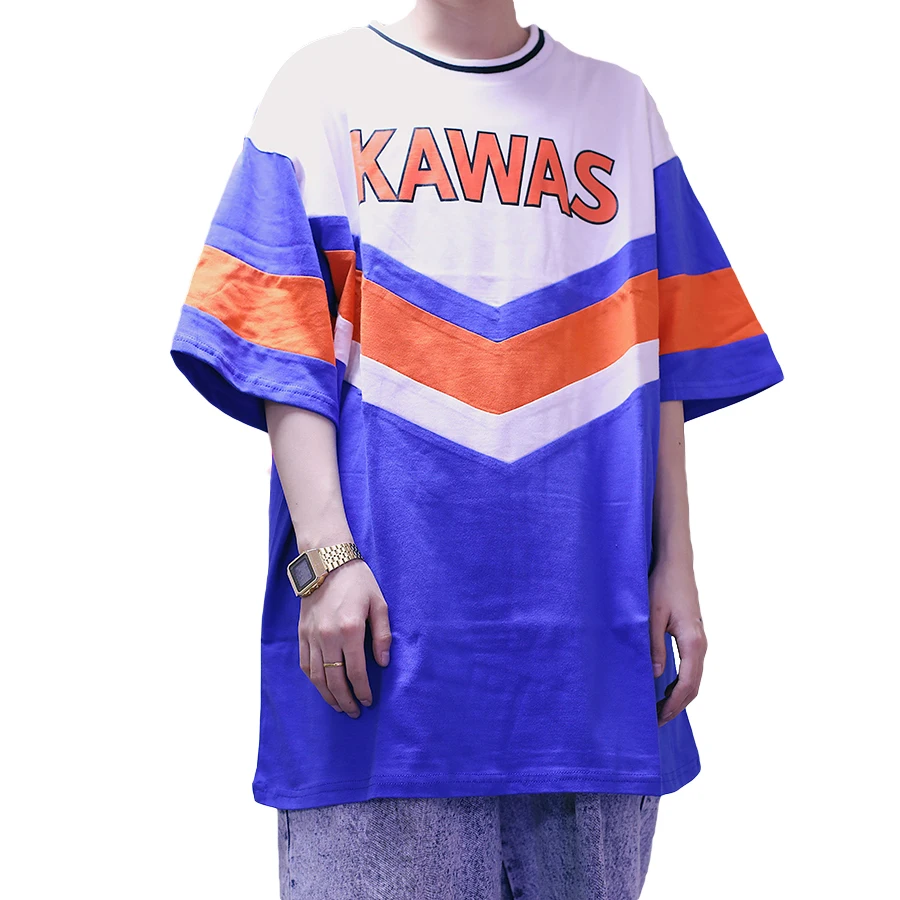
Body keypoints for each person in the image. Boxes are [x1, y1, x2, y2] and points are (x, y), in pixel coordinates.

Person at [169, 2, 784, 897]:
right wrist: (327, 560)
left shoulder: (621, 108)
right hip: (383, 667)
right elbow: (278, 351)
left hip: (589, 663)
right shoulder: (318, 90)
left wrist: (677, 564)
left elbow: (665, 360)